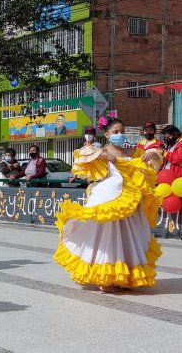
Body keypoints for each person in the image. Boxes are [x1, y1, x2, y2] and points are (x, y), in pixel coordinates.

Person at [54, 118, 163, 293]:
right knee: (108, 236)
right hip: (109, 198)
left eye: (122, 131)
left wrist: (154, 154)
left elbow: (154, 160)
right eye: (115, 132)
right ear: (107, 134)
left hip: (130, 200)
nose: (120, 135)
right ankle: (104, 277)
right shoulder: (102, 150)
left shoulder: (132, 150)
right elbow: (82, 154)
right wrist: (105, 155)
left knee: (128, 236)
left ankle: (124, 275)